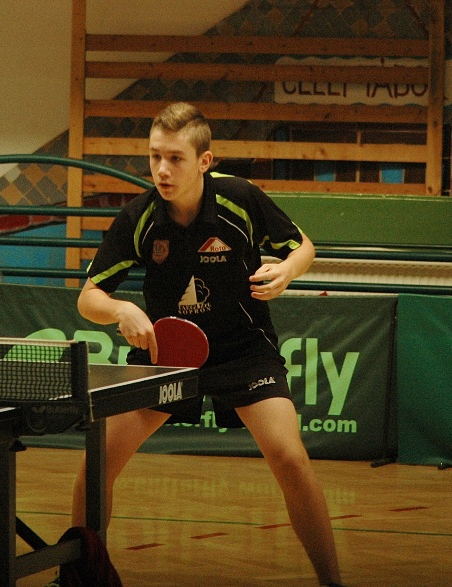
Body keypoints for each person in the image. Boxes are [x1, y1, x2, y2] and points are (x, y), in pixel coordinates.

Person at [69, 102, 346, 587]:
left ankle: (332, 582)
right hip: (166, 357)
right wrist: (120, 310)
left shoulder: (241, 198)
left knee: (291, 459)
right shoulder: (138, 218)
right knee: (97, 466)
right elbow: (88, 298)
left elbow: (303, 246)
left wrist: (287, 270)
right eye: (155, 156)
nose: (161, 169)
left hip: (243, 350)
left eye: (175, 158)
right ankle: (81, 577)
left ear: (204, 161)